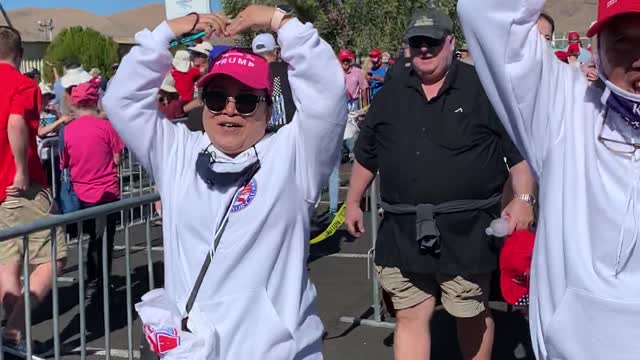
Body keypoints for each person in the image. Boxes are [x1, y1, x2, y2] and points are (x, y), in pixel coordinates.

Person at [103, 5, 346, 359]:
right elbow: (121, 100)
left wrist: (281, 22)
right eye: (217, 98)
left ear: (267, 107)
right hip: (193, 350)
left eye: (246, 100)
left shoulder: (294, 156)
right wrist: (164, 34)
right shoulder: (177, 152)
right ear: (204, 103)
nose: (229, 110)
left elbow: (328, 95)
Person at [345, 8, 535, 360]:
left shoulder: (482, 88)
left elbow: (519, 156)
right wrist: (353, 201)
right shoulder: (390, 92)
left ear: (451, 43)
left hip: (468, 232)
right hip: (402, 231)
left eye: (432, 43)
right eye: (417, 43)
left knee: (471, 313)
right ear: (408, 47)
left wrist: (523, 198)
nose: (425, 50)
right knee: (409, 314)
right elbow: (367, 154)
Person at [458, 0, 640, 358]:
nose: (637, 57)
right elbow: (485, 12)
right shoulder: (563, 110)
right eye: (622, 41)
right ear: (596, 50)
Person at [0, 26, 66, 354]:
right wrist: (22, 171)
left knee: (8, 262)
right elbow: (15, 122)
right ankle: (13, 331)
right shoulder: (24, 84)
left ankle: (13, 331)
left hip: (2, 193)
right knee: (53, 259)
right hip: (21, 187)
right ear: (20, 55)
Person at [61, 82, 124, 301]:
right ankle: (98, 282)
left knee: (89, 240)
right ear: (95, 101)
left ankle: (93, 280)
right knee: (103, 241)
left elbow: (64, 163)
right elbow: (117, 158)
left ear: (75, 103)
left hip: (80, 195)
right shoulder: (107, 127)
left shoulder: (67, 131)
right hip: (107, 193)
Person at [252, 32, 296, 131]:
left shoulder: (250, 75)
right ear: (276, 51)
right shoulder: (290, 70)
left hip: (263, 136)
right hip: (289, 133)